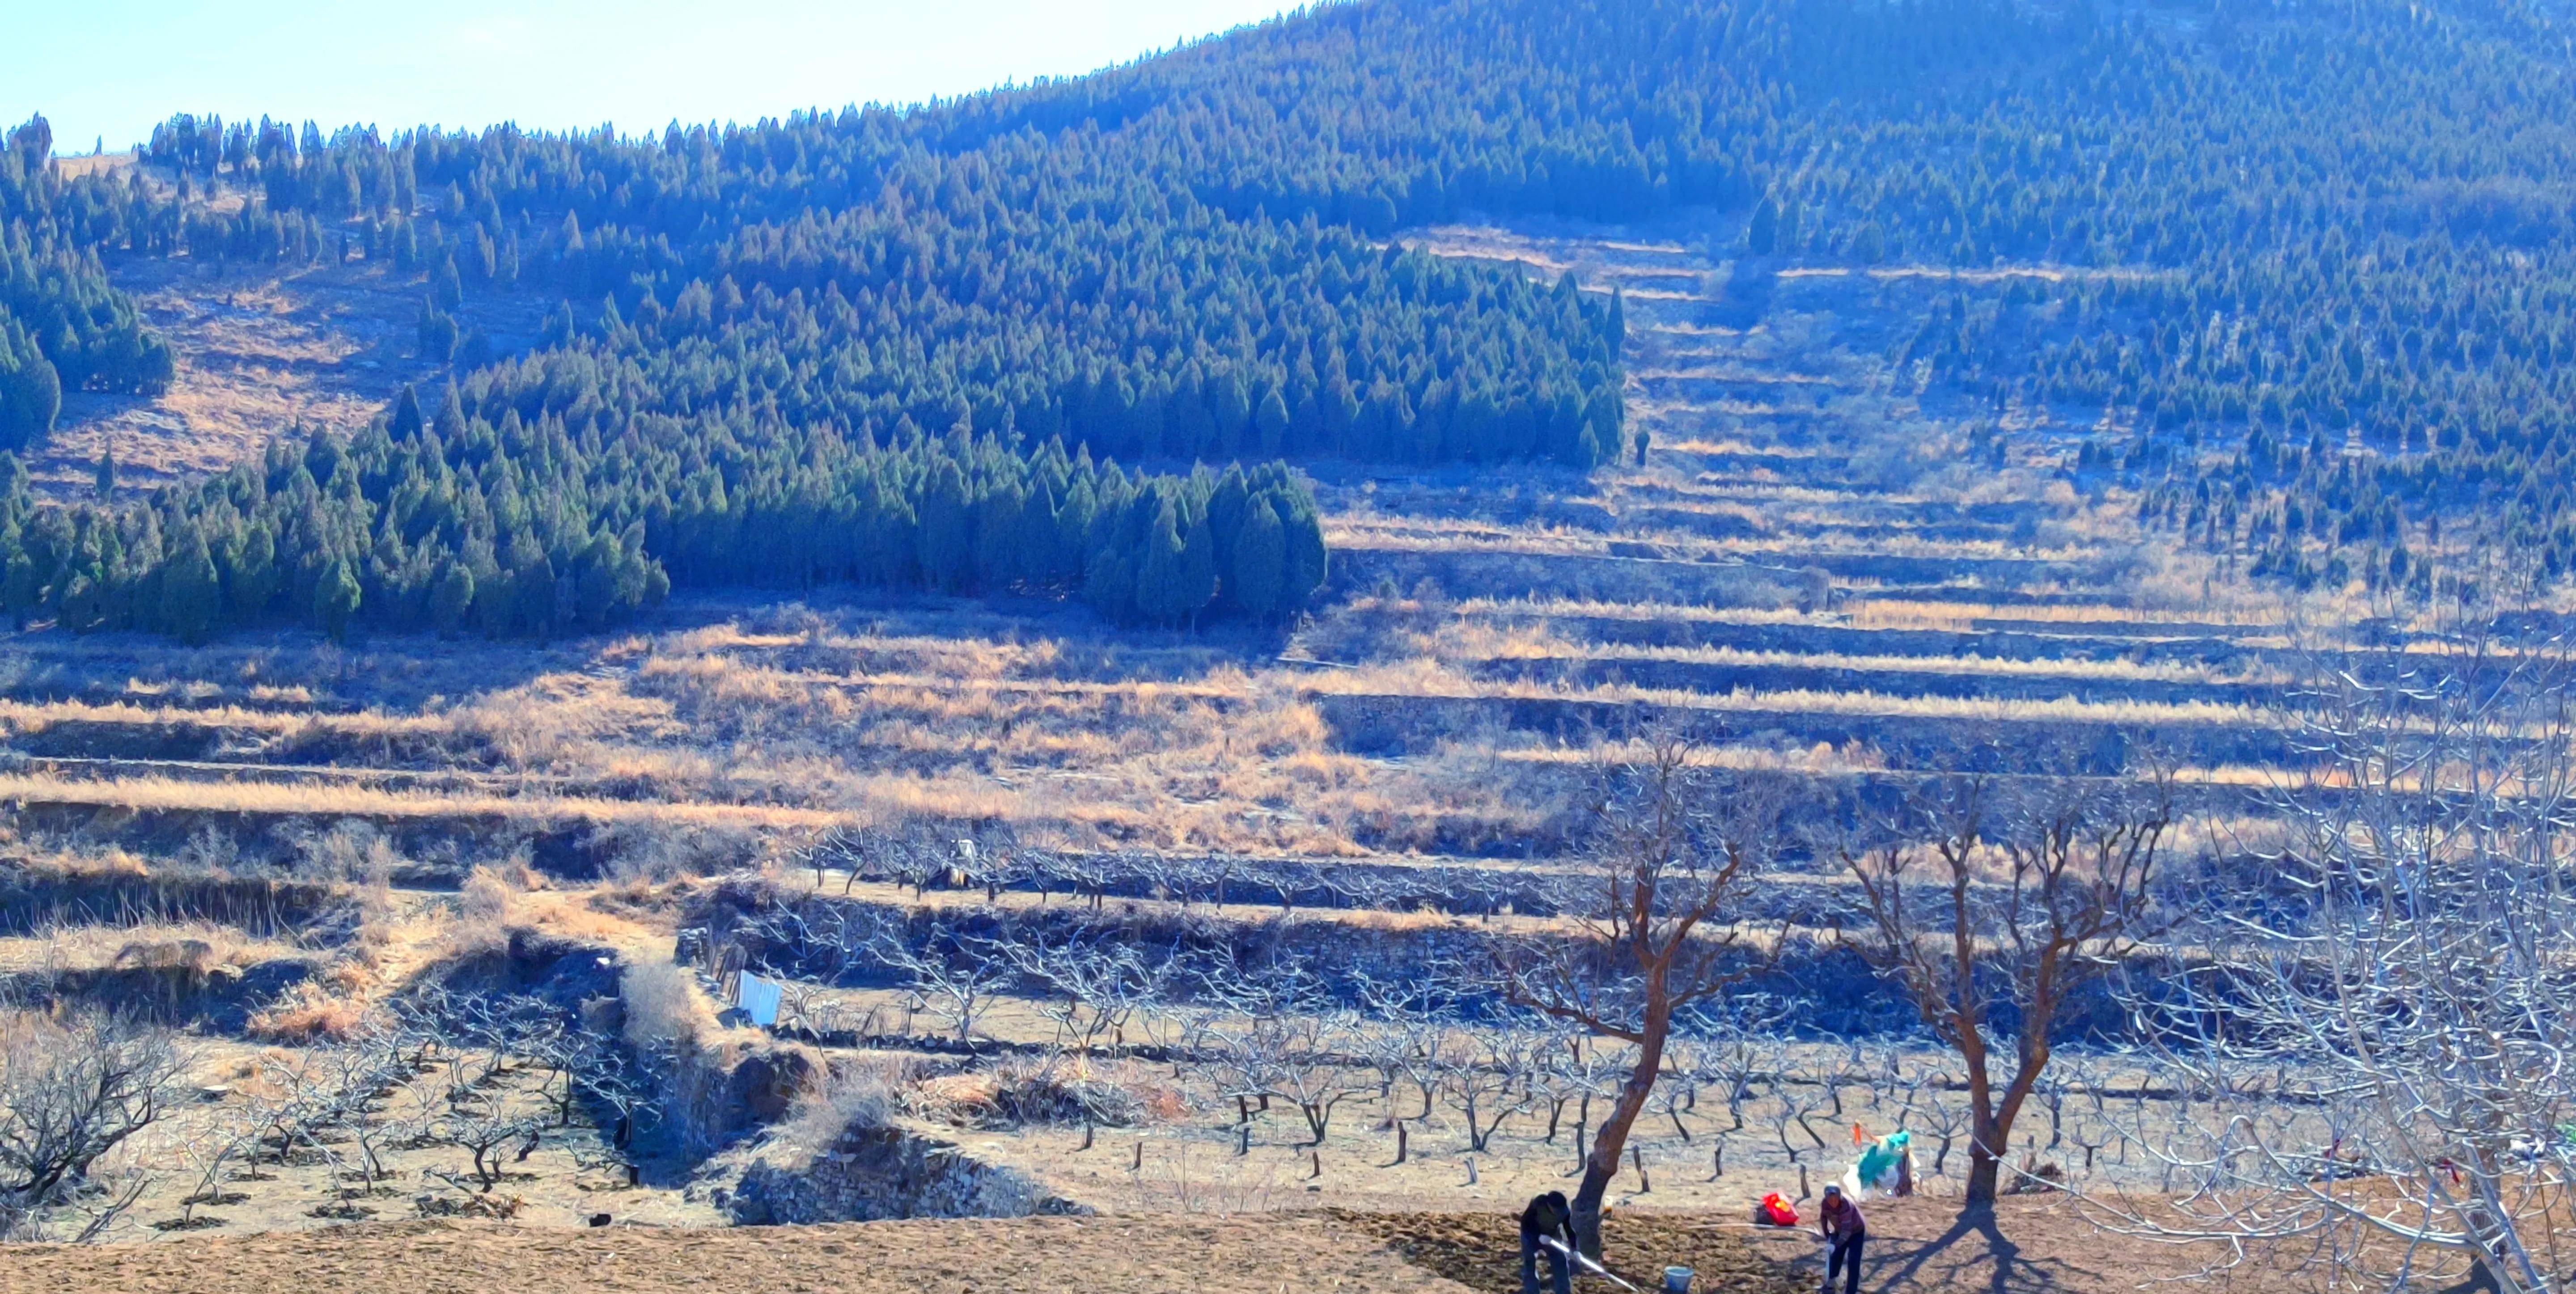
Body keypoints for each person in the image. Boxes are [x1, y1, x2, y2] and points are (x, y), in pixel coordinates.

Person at [1519, 1190, 1576, 1294]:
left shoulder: (1564, 1212)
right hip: (1531, 1235)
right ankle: (1532, 1291)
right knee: (1529, 1263)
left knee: (1561, 1261)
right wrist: (1537, 1237)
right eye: (1556, 1210)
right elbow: (1525, 1223)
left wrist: (1575, 1249)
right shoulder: (1538, 1205)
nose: (1558, 1212)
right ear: (1549, 1205)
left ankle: (1564, 1291)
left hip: (1552, 1235)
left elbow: (1569, 1229)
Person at [1818, 1183, 1867, 1294]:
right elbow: (1823, 1217)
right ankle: (1831, 1285)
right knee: (1835, 1258)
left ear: (1839, 1197)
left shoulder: (1846, 1205)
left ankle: (1851, 1291)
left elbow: (1847, 1231)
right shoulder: (1825, 1204)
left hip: (1856, 1232)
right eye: (1830, 1200)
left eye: (1835, 1199)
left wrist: (1836, 1244)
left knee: (1853, 1261)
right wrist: (1828, 1235)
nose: (1833, 1202)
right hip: (1840, 1230)